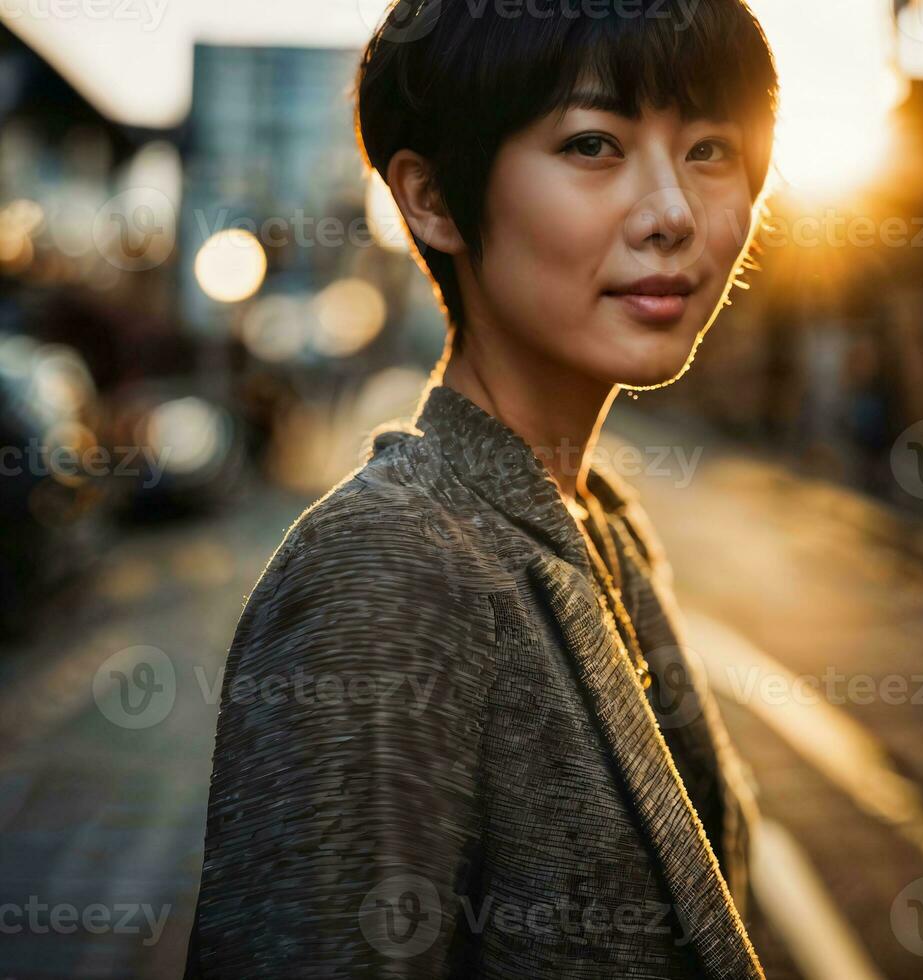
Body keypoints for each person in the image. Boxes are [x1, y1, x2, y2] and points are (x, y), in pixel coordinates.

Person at [184, 0, 780, 976]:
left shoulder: (597, 520)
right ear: (431, 200)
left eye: (709, 148)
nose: (673, 212)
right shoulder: (383, 573)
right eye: (593, 143)